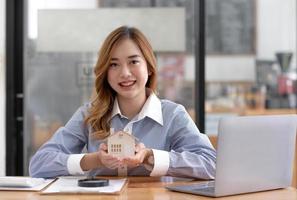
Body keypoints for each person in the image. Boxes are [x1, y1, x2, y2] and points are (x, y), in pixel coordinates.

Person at [29, 26, 216, 179]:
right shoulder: (89, 115)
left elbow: (212, 164)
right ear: (105, 72)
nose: (125, 73)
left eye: (133, 62)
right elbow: (39, 165)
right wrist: (95, 160)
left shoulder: (173, 114)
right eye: (114, 64)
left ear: (149, 67)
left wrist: (150, 157)